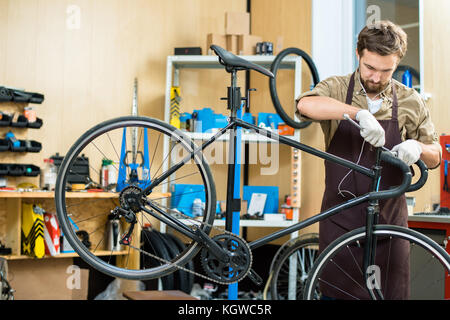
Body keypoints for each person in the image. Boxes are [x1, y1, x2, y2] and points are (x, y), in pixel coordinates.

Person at [296, 20, 441, 299]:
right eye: (370, 68)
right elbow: (306, 104)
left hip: (390, 225)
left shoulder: (410, 100)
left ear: (397, 63)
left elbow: (436, 155)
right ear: (358, 54)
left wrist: (418, 148)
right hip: (341, 221)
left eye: (386, 71)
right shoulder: (337, 88)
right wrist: (357, 113)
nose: (376, 78)